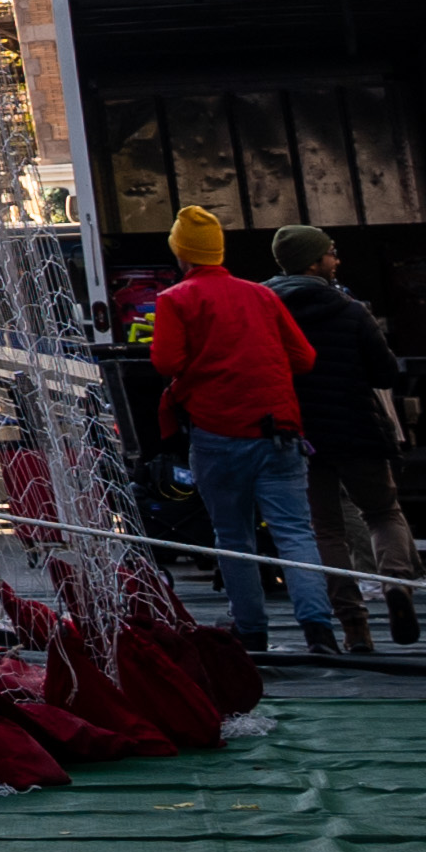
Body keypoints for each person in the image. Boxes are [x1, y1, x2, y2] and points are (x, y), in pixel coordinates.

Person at [145, 205, 343, 658]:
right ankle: (319, 631)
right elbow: (305, 358)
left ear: (182, 253)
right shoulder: (262, 296)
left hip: (218, 433)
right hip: (280, 430)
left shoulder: (176, 299)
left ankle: (251, 631)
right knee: (296, 533)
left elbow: (165, 363)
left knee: (234, 537)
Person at [264, 224, 421, 648]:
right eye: (331, 253)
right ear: (314, 262)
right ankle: (396, 586)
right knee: (383, 512)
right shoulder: (350, 309)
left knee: (324, 530)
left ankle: (355, 627)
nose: (337, 260)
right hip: (357, 429)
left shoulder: (264, 307)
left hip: (299, 434)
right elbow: (386, 373)